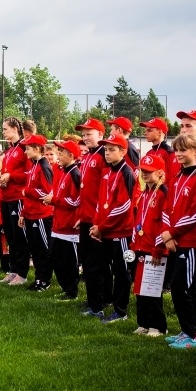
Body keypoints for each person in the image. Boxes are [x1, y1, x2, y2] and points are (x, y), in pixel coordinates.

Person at [162, 133, 196, 350]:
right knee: (178, 287)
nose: (179, 154)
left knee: (184, 287)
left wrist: (172, 232)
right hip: (176, 239)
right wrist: (167, 232)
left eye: (184, 150)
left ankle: (192, 335)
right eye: (177, 150)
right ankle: (184, 331)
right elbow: (168, 208)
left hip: (191, 241)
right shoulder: (178, 177)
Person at [88, 134, 136, 323]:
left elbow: (124, 206)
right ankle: (99, 305)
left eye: (112, 150)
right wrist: (96, 224)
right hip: (104, 230)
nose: (107, 153)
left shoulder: (127, 172)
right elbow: (101, 202)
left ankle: (121, 311)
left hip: (121, 232)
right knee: (98, 268)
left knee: (122, 272)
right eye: (106, 150)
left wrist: (102, 226)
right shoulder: (107, 171)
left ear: (123, 152)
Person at [131, 154, 169, 336]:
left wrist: (159, 248)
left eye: (148, 171)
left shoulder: (163, 193)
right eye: (142, 171)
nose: (144, 174)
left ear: (160, 173)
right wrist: (134, 242)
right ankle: (143, 322)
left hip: (155, 249)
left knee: (152, 288)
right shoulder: (145, 193)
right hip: (141, 245)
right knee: (140, 287)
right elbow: (140, 220)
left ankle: (158, 326)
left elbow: (163, 223)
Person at [43, 140, 82, 300]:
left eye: (61, 152)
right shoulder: (63, 170)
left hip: (69, 227)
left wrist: (54, 200)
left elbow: (76, 201)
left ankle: (72, 291)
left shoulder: (75, 173)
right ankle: (65, 287)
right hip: (58, 224)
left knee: (69, 261)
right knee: (56, 258)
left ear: (71, 155)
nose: (58, 155)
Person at [75, 118, 107, 307]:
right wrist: (81, 215)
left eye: (89, 134)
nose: (85, 137)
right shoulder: (87, 156)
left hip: (97, 219)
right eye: (84, 134)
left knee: (97, 264)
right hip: (86, 217)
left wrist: (98, 220)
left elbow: (104, 191)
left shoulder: (103, 156)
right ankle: (92, 299)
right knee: (87, 262)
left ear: (100, 135)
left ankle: (99, 301)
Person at [0, 117, 31, 285]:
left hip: (18, 198)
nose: (3, 132)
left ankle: (22, 273)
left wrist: (11, 176)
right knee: (9, 236)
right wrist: (3, 179)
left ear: (14, 129)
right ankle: (12, 269)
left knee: (19, 238)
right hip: (6, 197)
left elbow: (30, 173)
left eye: (5, 129)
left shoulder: (25, 148)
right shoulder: (10, 150)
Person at [19, 134, 54, 291]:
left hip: (41, 215)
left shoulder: (44, 166)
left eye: (27, 149)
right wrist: (23, 213)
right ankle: (39, 278)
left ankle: (45, 280)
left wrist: (28, 191)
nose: (25, 152)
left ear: (37, 149)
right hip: (31, 214)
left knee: (43, 249)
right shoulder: (34, 165)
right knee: (35, 249)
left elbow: (47, 193)